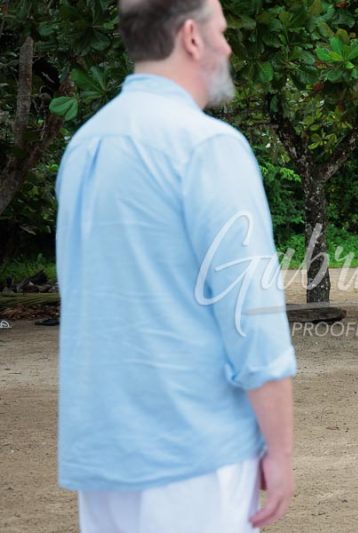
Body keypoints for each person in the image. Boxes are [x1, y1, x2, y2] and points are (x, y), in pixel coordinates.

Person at [55, 1, 296, 531]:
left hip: (100, 450)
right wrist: (279, 450)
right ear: (192, 36)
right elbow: (251, 316)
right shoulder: (209, 146)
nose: (228, 46)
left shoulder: (84, 146)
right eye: (223, 31)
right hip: (193, 449)